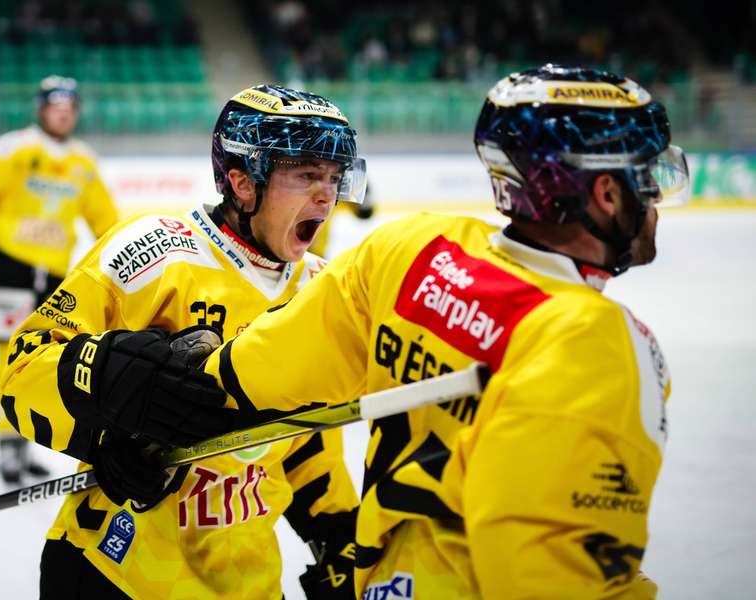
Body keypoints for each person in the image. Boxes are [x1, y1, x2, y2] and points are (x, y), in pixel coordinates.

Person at [178, 65, 690, 598]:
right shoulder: (596, 344)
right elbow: (555, 573)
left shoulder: (409, 250)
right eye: (647, 181)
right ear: (607, 193)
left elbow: (246, 376)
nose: (653, 201)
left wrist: (131, 383)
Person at [0, 84, 368, 599]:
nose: (327, 195)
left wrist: (339, 535)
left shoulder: (320, 291)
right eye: (306, 174)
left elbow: (306, 436)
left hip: (245, 581)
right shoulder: (154, 253)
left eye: (334, 177)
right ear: (242, 181)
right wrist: (104, 406)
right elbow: (21, 368)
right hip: (117, 569)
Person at [0, 75, 119, 483]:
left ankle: (26, 434)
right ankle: (8, 443)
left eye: (69, 107)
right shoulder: (12, 149)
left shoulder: (83, 162)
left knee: (43, 354)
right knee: (11, 349)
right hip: (10, 259)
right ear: (40, 110)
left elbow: (105, 219)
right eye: (55, 106)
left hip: (55, 270)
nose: (63, 114)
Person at [309, 180, 375, 257]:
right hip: (309, 248)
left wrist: (364, 197)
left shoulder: (342, 198)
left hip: (315, 251)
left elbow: (364, 213)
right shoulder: (337, 196)